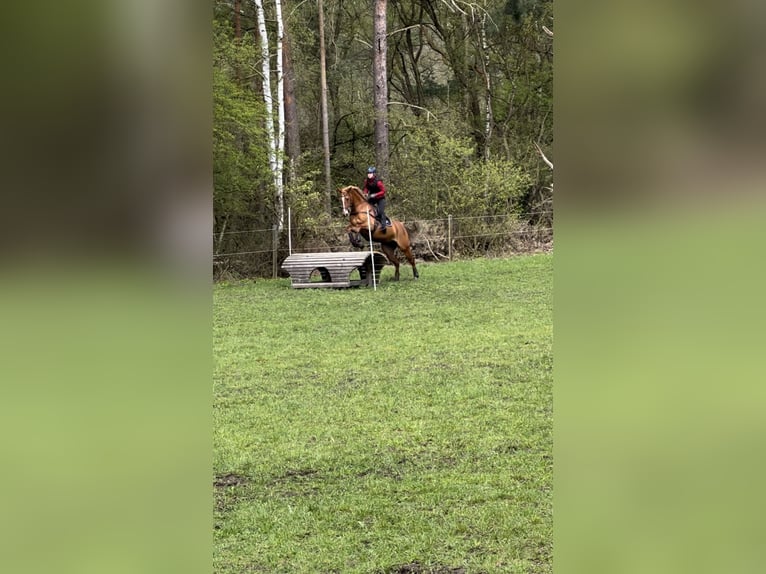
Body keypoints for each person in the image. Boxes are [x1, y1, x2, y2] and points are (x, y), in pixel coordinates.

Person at [362, 166, 387, 233]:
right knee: (367, 208)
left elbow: (383, 191)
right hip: (372, 198)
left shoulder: (378, 182)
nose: (369, 174)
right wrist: (365, 193)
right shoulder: (366, 181)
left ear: (374, 174)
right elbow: (366, 188)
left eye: (370, 173)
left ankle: (384, 225)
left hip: (380, 198)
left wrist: (376, 194)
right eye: (368, 173)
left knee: (380, 211)